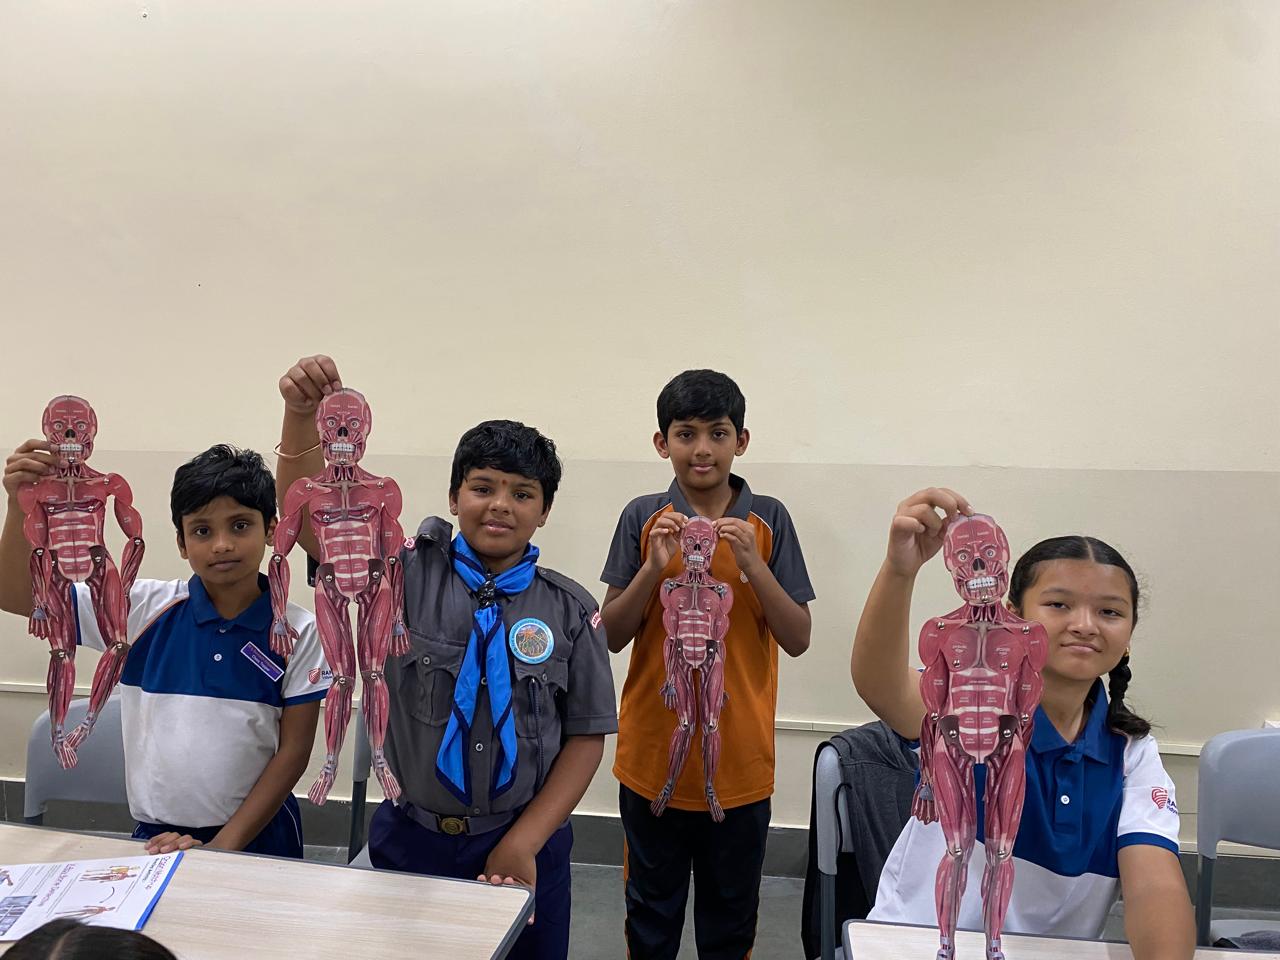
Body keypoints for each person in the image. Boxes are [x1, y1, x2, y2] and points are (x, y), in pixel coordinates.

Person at [274, 355, 616, 960]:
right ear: (454, 497)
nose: (500, 505)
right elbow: (313, 526)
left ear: (544, 511)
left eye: (522, 494)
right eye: (483, 488)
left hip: (526, 844)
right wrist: (301, 417)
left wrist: (525, 842)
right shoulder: (400, 576)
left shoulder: (570, 610)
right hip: (413, 843)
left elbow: (586, 737)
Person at [851, 487, 1194, 959]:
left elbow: (1156, 885)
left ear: (1129, 636)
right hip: (915, 946)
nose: (1085, 624)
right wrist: (899, 570)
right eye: (1059, 605)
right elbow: (881, 684)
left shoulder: (1131, 752)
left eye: (1110, 612)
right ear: (1014, 617)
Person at [0, 443, 326, 857]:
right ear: (182, 544)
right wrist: (20, 506)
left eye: (240, 525)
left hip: (258, 836)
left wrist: (223, 846)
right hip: (157, 838)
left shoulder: (299, 630)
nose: (222, 544)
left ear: (272, 530)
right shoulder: (136, 608)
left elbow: (294, 751)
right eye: (202, 531)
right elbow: (19, 596)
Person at [600, 368, 815, 959]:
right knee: (650, 917)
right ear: (661, 442)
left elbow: (798, 638)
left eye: (717, 433)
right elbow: (609, 635)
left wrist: (753, 566)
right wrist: (653, 568)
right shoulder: (643, 517)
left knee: (730, 920)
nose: (702, 449)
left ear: (740, 441)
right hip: (651, 761)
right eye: (685, 434)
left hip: (739, 764)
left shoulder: (767, 520)